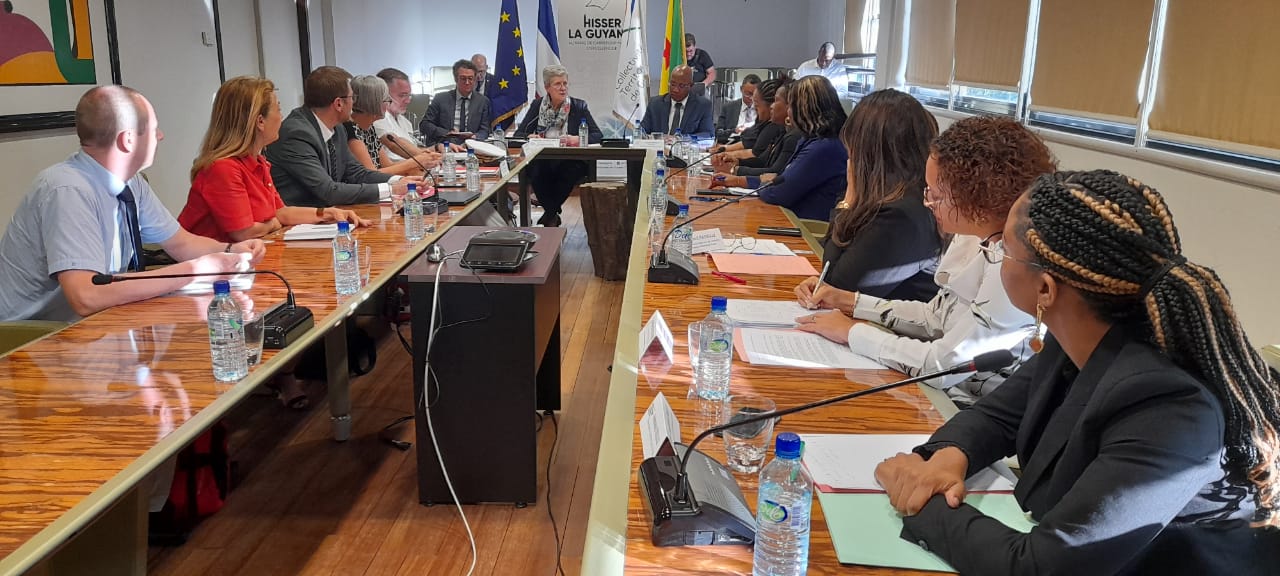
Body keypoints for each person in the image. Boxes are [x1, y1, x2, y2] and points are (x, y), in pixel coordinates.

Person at [875, 170, 1280, 574]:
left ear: (1045, 289)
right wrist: (949, 457)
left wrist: (921, 500)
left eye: (1003, 249)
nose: (994, 255)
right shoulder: (1082, 339)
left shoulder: (1172, 409)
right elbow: (997, 417)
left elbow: (1040, 568)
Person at [795, 115, 1057, 405]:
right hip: (943, 395)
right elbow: (937, 318)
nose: (926, 202)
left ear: (979, 199)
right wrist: (848, 301)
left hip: (971, 408)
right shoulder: (977, 236)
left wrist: (851, 332)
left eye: (936, 194)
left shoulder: (1015, 264)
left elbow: (940, 366)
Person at [0, 85, 266, 323]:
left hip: (88, 323)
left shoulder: (130, 181)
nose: (160, 136)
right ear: (127, 140)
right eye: (153, 129)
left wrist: (231, 251)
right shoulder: (67, 190)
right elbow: (86, 296)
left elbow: (181, 243)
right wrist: (194, 271)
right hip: (29, 335)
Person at [179, 76, 369, 244]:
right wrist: (275, 223)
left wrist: (328, 213)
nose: (281, 117)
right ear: (260, 121)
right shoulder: (223, 168)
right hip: (213, 266)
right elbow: (244, 232)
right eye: (278, 109)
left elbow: (281, 212)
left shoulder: (258, 161)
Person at [264, 66, 417, 207]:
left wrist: (400, 181)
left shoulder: (338, 128)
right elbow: (328, 191)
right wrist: (391, 189)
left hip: (329, 213)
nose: (354, 103)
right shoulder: (297, 134)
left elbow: (357, 173)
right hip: (300, 219)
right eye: (352, 97)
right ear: (339, 104)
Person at [710, 75, 847, 221]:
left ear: (804, 109)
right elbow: (779, 180)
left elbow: (778, 193)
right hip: (790, 219)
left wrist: (764, 181)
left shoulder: (823, 147)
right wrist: (736, 181)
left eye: (791, 105)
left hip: (804, 227)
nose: (789, 111)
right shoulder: (811, 140)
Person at [513, 65, 603, 227]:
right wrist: (530, 137)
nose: (563, 88)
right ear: (547, 87)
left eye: (565, 83)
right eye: (558, 84)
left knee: (569, 172)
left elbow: (598, 135)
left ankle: (549, 214)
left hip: (571, 159)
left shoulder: (578, 106)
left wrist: (577, 139)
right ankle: (552, 213)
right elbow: (519, 135)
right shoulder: (537, 105)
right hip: (543, 159)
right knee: (535, 171)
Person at [345, 75, 438, 176]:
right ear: (372, 102)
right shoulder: (351, 129)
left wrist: (420, 163)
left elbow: (388, 165)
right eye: (386, 100)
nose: (388, 104)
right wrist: (415, 162)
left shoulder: (369, 128)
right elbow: (370, 174)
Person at [710, 78, 786, 171]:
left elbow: (773, 172)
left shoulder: (777, 130)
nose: (772, 106)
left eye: (757, 105)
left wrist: (735, 172)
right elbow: (760, 159)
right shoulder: (765, 122)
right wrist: (729, 156)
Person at [420, 59, 493, 148]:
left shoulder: (483, 101)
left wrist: (475, 137)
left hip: (470, 146)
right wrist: (447, 133)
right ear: (455, 79)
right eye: (463, 78)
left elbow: (485, 130)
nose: (467, 82)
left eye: (470, 78)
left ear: (475, 79)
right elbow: (425, 124)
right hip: (445, 145)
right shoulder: (440, 99)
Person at [374, 67, 436, 163]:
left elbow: (416, 150)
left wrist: (438, 148)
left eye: (409, 95)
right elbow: (394, 145)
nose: (408, 101)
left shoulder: (405, 122)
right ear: (383, 94)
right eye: (402, 95)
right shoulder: (376, 117)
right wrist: (431, 158)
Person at [638, 65, 714, 139]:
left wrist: (680, 139)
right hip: (660, 147)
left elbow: (708, 134)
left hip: (685, 146)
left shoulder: (703, 106)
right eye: (673, 84)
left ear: (691, 86)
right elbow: (642, 132)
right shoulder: (655, 104)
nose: (675, 90)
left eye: (681, 86)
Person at [715, 74, 760, 142]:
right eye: (748, 94)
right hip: (731, 143)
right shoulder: (728, 108)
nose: (751, 98)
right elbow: (718, 133)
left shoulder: (763, 109)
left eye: (754, 95)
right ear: (741, 89)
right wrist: (734, 130)